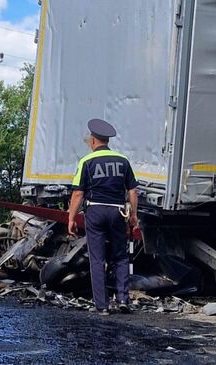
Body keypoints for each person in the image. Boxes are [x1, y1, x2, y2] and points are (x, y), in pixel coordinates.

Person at [68, 118, 139, 315]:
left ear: (92, 141)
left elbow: (78, 193)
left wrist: (71, 218)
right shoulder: (123, 161)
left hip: (96, 212)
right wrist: (134, 215)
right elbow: (133, 190)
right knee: (121, 256)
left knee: (97, 259)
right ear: (107, 140)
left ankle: (102, 306)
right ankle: (123, 299)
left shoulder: (86, 161)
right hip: (118, 212)